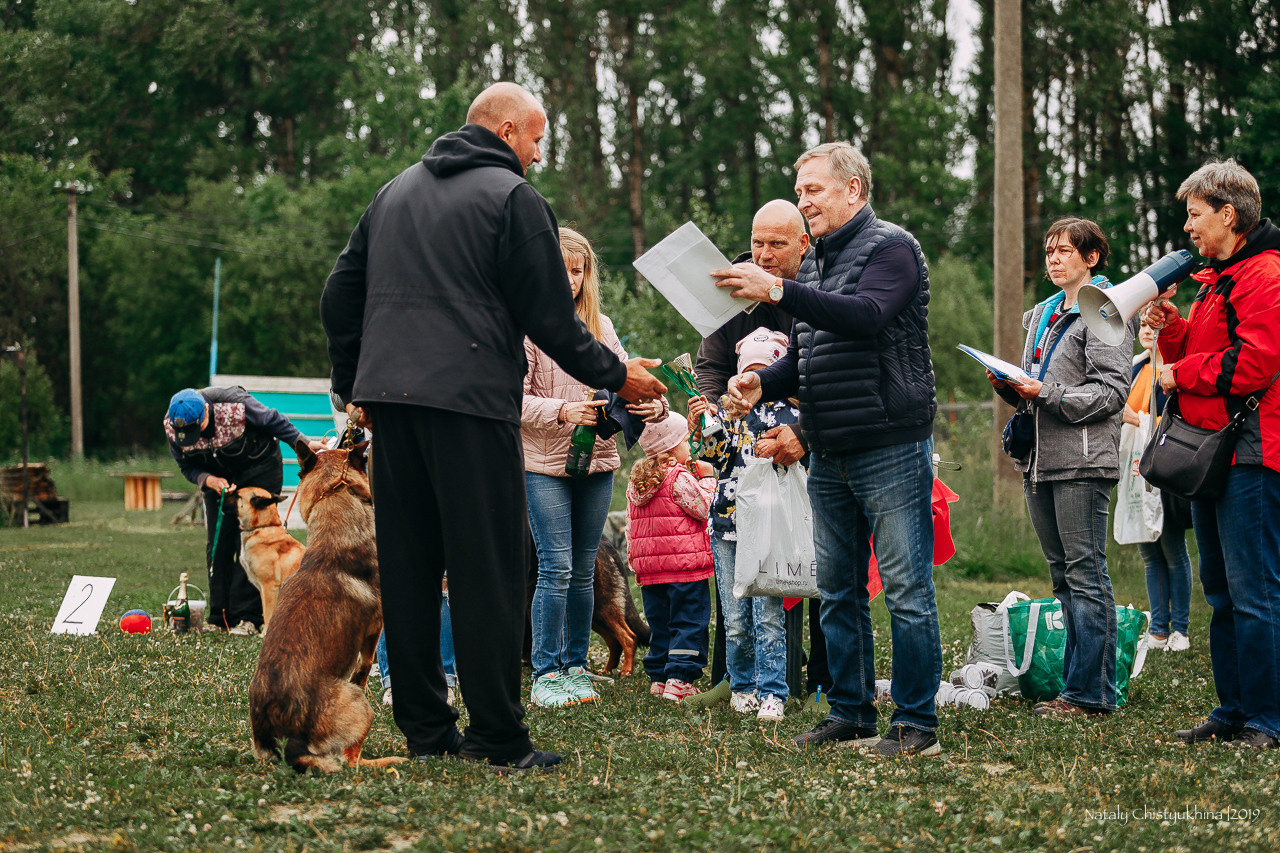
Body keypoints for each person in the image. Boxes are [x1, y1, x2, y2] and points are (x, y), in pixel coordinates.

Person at [320, 82, 666, 772]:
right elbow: (550, 317)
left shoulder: (393, 193)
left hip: (392, 404)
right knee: (486, 569)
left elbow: (339, 294)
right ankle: (497, 739)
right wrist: (618, 373)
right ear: (507, 131)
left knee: (413, 567)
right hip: (472, 406)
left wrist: (352, 382)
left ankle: (425, 729)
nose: (539, 154)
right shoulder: (513, 199)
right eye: (537, 139)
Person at [715, 142, 943, 757]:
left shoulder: (892, 248)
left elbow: (865, 317)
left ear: (854, 191)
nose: (803, 201)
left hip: (889, 444)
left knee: (905, 589)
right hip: (827, 448)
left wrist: (778, 292)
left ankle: (917, 724)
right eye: (800, 190)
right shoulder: (814, 265)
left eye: (813, 189)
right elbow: (815, 357)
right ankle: (850, 713)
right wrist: (764, 382)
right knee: (837, 590)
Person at [1144, 159, 1280, 749]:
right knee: (1222, 593)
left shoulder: (1265, 275)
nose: (1189, 228)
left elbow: (1254, 364)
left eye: (1195, 215)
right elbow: (1204, 352)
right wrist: (1174, 327)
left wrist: (1180, 372)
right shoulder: (1219, 278)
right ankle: (1233, 710)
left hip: (1251, 452)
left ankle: (1268, 720)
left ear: (1229, 215)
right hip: (1216, 453)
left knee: (1256, 595)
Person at [988, 217, 1131, 718]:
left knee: (1086, 574)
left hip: (1083, 461)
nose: (1053, 259)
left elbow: (1113, 393)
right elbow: (1036, 387)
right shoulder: (1044, 315)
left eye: (1065, 250)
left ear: (1091, 258)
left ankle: (1093, 694)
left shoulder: (1103, 312)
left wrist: (1043, 392)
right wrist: (1011, 386)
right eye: (1048, 251)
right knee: (1062, 577)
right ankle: (1075, 686)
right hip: (1039, 462)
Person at [692, 199, 832, 708]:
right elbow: (711, 362)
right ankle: (734, 677)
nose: (765, 254)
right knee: (734, 572)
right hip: (742, 438)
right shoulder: (731, 288)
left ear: (803, 243)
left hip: (811, 440)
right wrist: (715, 410)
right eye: (758, 243)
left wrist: (802, 426)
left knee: (815, 556)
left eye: (777, 244)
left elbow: (830, 371)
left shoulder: (822, 283)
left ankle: (823, 680)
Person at [521, 227, 667, 709]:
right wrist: (563, 412)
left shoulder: (600, 327)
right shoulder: (523, 326)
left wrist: (647, 406)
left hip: (598, 462)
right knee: (556, 566)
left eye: (577, 271)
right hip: (542, 464)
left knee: (584, 570)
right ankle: (546, 672)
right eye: (558, 269)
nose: (568, 280)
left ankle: (575, 666)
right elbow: (507, 400)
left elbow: (626, 383)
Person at [690, 328, 800, 721]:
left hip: (769, 527)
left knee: (768, 616)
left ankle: (773, 692)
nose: (753, 384)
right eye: (748, 373)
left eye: (764, 372)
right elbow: (712, 456)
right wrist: (701, 426)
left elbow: (796, 460)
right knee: (735, 618)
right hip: (727, 526)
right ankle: (741, 686)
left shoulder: (790, 415)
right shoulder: (728, 414)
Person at [164, 386, 323, 635]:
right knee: (217, 545)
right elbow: (187, 467)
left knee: (255, 545)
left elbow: (273, 420)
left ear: (206, 410)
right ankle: (219, 618)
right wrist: (207, 479)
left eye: (198, 427)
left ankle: (249, 618)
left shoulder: (234, 403)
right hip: (218, 480)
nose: (194, 435)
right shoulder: (174, 427)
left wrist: (303, 443)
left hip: (258, 466)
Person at [626, 413, 717, 702]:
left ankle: (659, 678)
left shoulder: (636, 482)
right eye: (684, 441)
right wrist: (709, 478)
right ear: (670, 448)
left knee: (661, 623)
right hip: (684, 567)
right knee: (689, 621)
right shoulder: (678, 477)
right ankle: (680, 680)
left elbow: (631, 526)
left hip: (651, 571)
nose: (689, 446)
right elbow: (704, 508)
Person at [1124, 319, 1192, 652]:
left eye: (1156, 325)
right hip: (1137, 469)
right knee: (1149, 553)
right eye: (1144, 326)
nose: (1149, 331)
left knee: (1172, 549)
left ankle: (1180, 628)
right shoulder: (1136, 367)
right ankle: (1159, 630)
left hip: (1166, 470)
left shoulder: (1171, 369)